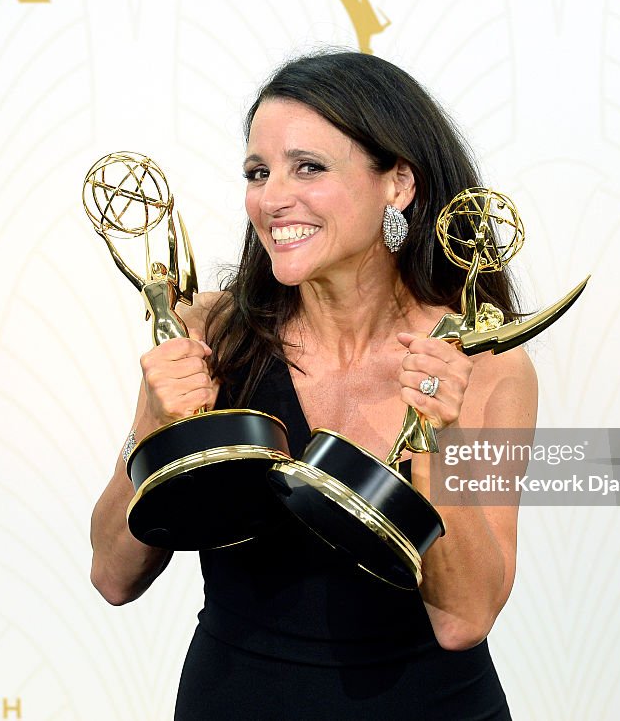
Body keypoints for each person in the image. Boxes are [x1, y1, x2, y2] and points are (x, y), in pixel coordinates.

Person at [90, 51, 538, 720]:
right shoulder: (210, 331)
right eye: (257, 171)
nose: (271, 198)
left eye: (309, 167)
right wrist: (158, 421)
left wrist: (436, 443)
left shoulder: (488, 365)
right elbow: (113, 574)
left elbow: (464, 618)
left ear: (398, 184)